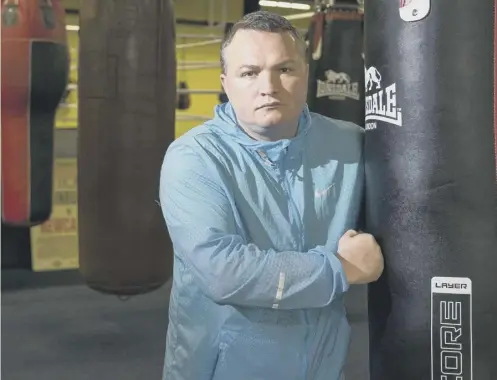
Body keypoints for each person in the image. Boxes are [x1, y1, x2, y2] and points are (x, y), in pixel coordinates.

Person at [159, 10, 384, 380]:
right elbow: (223, 272)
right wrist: (339, 268)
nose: (269, 86)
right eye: (250, 73)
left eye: (285, 69)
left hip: (322, 368)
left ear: (306, 74)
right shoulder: (194, 159)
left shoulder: (349, 144)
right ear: (226, 82)